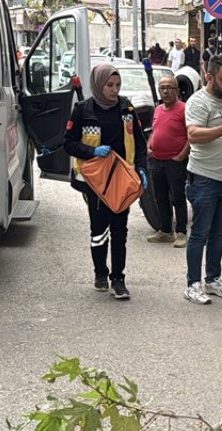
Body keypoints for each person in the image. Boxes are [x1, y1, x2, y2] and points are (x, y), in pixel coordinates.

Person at [64, 63, 148, 300]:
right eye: (109, 85)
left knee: (120, 230)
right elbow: (68, 143)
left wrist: (141, 169)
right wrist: (91, 152)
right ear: (98, 85)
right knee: (98, 229)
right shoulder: (83, 110)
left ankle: (118, 278)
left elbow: (140, 143)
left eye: (118, 85)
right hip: (95, 182)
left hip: (122, 179)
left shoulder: (127, 109)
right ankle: (100, 273)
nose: (114, 90)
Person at [183, 54, 222, 305]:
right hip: (204, 178)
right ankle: (192, 284)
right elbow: (194, 135)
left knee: (219, 233)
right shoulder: (198, 101)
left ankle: (213, 279)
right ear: (209, 76)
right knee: (199, 233)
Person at [146, 75, 190, 247]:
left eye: (169, 87)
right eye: (162, 87)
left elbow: (191, 136)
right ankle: (165, 230)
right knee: (160, 197)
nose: (165, 91)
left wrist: (182, 155)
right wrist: (149, 145)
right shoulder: (157, 109)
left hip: (175, 161)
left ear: (177, 91)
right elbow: (154, 131)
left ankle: (181, 232)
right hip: (157, 161)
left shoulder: (184, 109)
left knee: (178, 197)